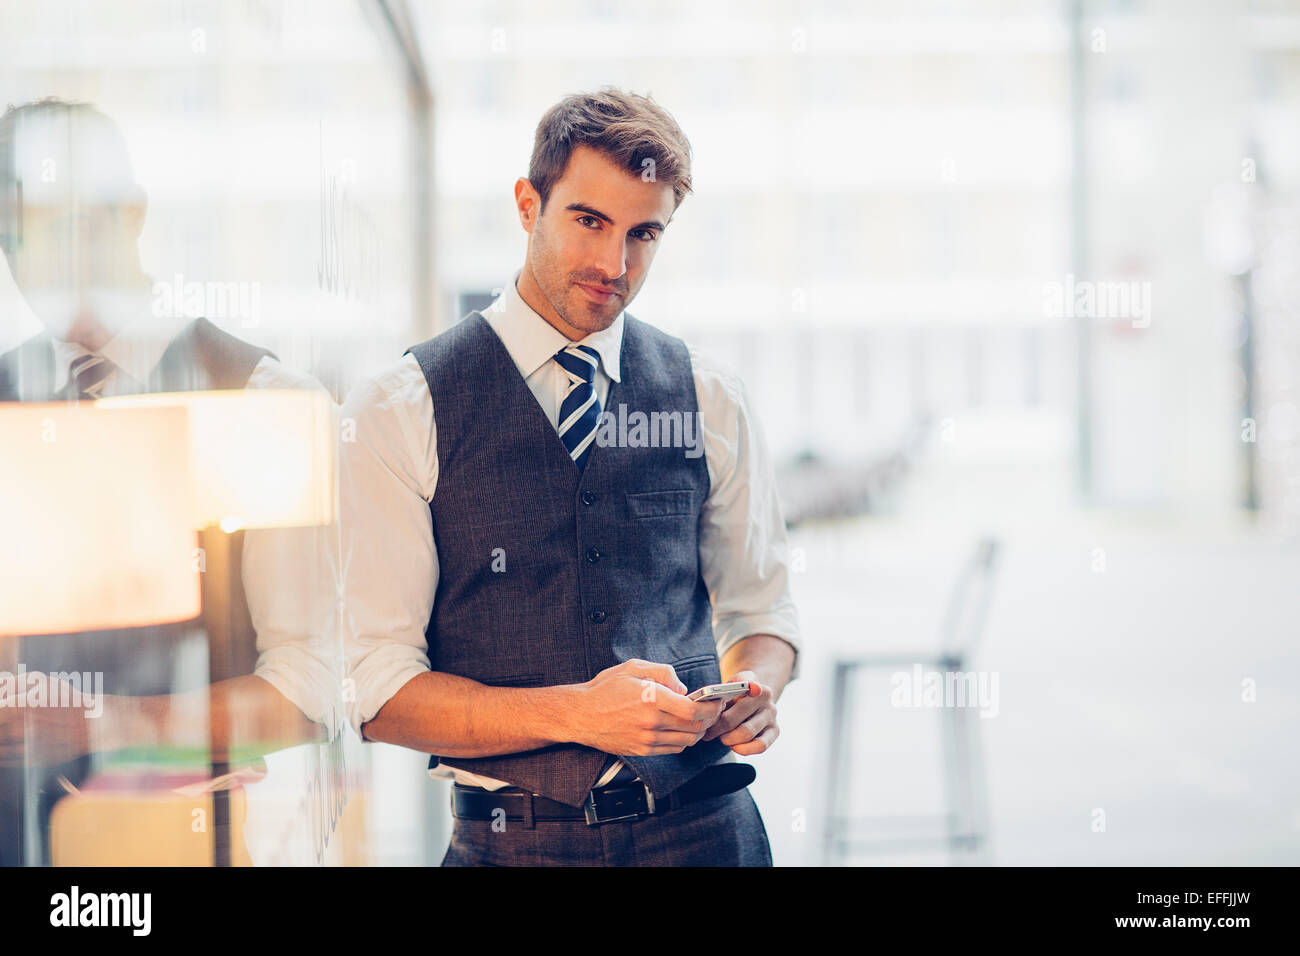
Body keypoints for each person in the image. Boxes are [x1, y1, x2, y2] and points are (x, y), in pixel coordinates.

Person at [342, 88, 801, 866]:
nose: (612, 265)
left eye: (643, 234)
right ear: (528, 204)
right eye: (589, 221)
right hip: (511, 845)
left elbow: (764, 612)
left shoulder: (710, 397)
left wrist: (753, 689)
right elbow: (378, 694)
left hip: (707, 833)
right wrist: (579, 715)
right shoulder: (399, 408)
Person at [0, 98, 336, 865]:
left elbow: (310, 693)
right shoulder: (5, 397)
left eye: (67, 226)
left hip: (181, 845)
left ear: (132, 216)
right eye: (16, 236)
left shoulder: (260, 400)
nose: (41, 262)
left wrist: (104, 723)